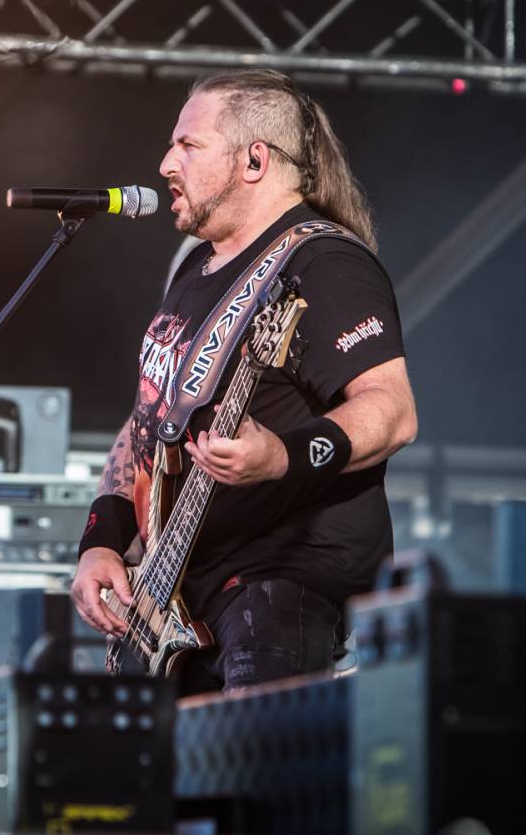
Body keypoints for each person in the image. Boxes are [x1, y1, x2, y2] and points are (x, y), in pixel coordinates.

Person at [70, 68, 417, 695]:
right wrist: (103, 537)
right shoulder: (197, 270)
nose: (165, 162)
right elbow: (148, 417)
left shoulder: (325, 263)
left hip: (280, 579)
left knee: (252, 782)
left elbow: (392, 412)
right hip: (176, 595)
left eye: (188, 145)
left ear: (255, 160)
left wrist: (284, 455)